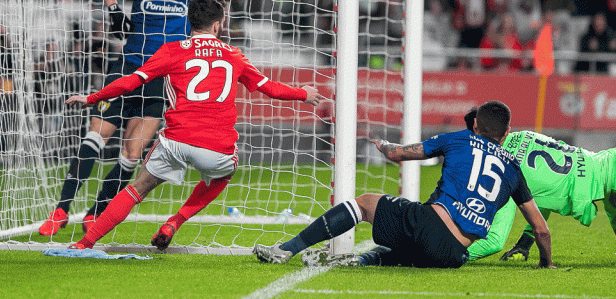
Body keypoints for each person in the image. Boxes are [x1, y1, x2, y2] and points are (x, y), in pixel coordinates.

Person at [62, 0, 320, 250]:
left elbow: (131, 81)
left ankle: (85, 242)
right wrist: (303, 94)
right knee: (223, 175)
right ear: (218, 25)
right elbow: (270, 89)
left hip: (176, 140)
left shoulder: (172, 50)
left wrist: (92, 97)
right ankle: (175, 221)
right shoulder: (234, 55)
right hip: (216, 147)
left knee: (137, 188)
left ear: (189, 22)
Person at [39, 0, 245, 236]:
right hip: (127, 68)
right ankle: (61, 210)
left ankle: (94, 213)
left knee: (132, 155)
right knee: (95, 138)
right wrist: (113, 12)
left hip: (159, 80)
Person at [254, 101, 554, 269]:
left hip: (429, 226)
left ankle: (287, 249)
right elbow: (541, 229)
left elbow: (400, 154)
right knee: (411, 249)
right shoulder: (514, 170)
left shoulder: (459, 137)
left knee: (365, 202)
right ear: (507, 132)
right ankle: (360, 261)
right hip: (454, 255)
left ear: (475, 124)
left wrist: (384, 145)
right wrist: (545, 264)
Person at [465, 109, 616, 261]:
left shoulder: (503, 172)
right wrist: (524, 244)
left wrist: (453, 256)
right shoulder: (524, 135)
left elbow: (494, 242)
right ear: (506, 131)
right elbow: (543, 193)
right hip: (607, 163)